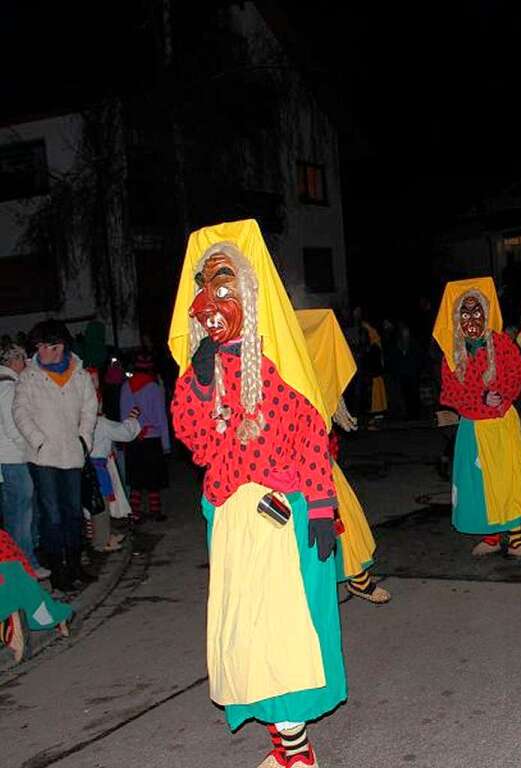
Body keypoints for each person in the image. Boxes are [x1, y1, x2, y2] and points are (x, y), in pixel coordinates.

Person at [169, 220, 345, 768]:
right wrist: (198, 384)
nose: (209, 301)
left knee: (280, 635)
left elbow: (309, 432)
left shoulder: (273, 367)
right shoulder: (206, 373)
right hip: (231, 518)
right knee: (245, 632)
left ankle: (298, 752)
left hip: (279, 517)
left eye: (223, 285)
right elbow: (196, 443)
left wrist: (319, 505)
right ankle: (283, 744)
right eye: (204, 288)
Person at [434, 277, 521, 559]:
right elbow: (451, 392)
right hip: (473, 427)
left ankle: (516, 539)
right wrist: (479, 399)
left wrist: (501, 395)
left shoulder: (502, 344)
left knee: (509, 480)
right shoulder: (452, 355)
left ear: (486, 313)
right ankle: (491, 537)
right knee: (480, 485)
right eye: (465, 313)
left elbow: (517, 374)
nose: (471, 318)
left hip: (501, 424)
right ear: (457, 317)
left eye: (476, 311)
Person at [296, 308, 390, 604]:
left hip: (317, 464)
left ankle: (358, 580)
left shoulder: (309, 374)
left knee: (343, 518)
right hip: (282, 472)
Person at [13, 321, 98, 593]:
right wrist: (37, 440)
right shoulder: (29, 376)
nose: (39, 351)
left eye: (44, 346)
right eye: (37, 346)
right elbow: (20, 412)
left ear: (58, 346)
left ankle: (76, 565)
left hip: (72, 454)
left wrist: (84, 439)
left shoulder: (80, 375)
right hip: (43, 457)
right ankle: (58, 570)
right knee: (52, 516)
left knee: (73, 513)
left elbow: (89, 408)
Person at [0, 343, 47, 578]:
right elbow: (14, 427)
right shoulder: (8, 388)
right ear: (14, 361)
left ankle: (21, 564)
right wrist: (31, 447)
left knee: (16, 513)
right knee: (21, 514)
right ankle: (27, 564)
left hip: (9, 460)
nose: (26, 363)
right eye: (23, 359)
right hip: (14, 459)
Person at [0, 529, 71, 664]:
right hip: (14, 562)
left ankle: (12, 632)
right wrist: (29, 573)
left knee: (7, 604)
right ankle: (60, 617)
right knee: (37, 607)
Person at [87, 369, 139, 552]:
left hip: (88, 467)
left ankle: (104, 535)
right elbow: (125, 433)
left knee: (93, 505)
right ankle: (101, 541)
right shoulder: (100, 423)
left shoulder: (82, 422)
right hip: (98, 468)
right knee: (100, 505)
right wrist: (132, 419)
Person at [120, 352, 170, 523]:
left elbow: (123, 416)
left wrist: (125, 437)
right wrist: (166, 443)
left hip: (133, 437)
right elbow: (161, 416)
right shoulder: (154, 388)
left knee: (136, 479)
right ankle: (155, 511)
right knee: (153, 478)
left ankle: (135, 513)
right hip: (152, 438)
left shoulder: (126, 387)